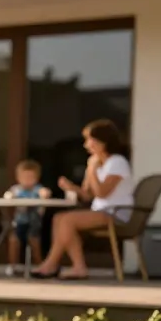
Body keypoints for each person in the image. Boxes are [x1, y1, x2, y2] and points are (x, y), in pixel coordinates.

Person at [31, 119, 135, 280]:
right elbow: (87, 195)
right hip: (101, 211)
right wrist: (71, 187)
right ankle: (62, 265)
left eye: (89, 140)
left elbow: (102, 193)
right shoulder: (98, 162)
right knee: (59, 218)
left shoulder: (117, 162)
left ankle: (61, 265)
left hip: (116, 212)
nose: (86, 145)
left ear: (102, 141)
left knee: (67, 220)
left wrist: (92, 169)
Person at [4, 160, 52, 277]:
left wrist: (45, 194)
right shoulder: (16, 189)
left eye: (31, 177)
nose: (27, 180)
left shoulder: (37, 189)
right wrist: (9, 196)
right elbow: (8, 195)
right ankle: (12, 265)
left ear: (37, 178)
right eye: (24, 177)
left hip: (34, 222)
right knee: (13, 240)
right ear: (18, 178)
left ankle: (39, 265)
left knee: (34, 241)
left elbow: (45, 193)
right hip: (19, 222)